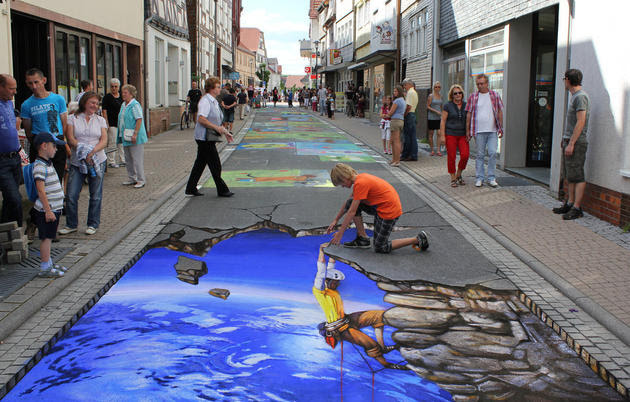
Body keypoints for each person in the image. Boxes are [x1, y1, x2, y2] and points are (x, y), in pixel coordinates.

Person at [313, 242, 407, 370]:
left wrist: (331, 250)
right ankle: (385, 363)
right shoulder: (320, 292)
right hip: (341, 329)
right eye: (336, 282)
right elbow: (321, 271)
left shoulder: (331, 289)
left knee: (378, 316)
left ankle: (383, 347)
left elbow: (330, 267)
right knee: (370, 344)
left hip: (348, 319)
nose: (338, 285)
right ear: (327, 282)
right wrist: (321, 250)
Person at [326, 163, 429, 253]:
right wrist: (336, 220)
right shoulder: (360, 178)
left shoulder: (360, 183)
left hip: (389, 212)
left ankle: (418, 239)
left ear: (344, 178)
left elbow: (351, 212)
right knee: (350, 202)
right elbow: (349, 202)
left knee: (381, 247)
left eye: (341, 184)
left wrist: (340, 233)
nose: (343, 187)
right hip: (380, 207)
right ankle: (362, 239)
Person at [58, 91, 108, 236]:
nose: (95, 106)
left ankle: (93, 224)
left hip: (97, 160)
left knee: (96, 194)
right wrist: (82, 150)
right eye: (92, 102)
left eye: (97, 103)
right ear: (84, 102)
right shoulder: (72, 118)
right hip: (77, 162)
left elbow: (104, 140)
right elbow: (70, 138)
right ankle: (71, 224)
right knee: (72, 194)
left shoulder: (100, 120)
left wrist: (92, 152)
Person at [185, 76, 234, 198]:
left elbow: (217, 121)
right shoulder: (206, 101)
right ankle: (222, 189)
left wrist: (225, 132)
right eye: (218, 87)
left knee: (200, 163)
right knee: (215, 164)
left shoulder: (213, 101)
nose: (219, 89)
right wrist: (217, 128)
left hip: (207, 137)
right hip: (204, 138)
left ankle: (191, 188)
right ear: (212, 89)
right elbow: (201, 119)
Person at [552, 68, 591, 220]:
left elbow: (581, 122)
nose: (564, 82)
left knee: (577, 175)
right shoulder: (575, 97)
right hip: (570, 140)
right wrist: (566, 139)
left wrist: (572, 143)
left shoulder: (580, 97)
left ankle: (577, 208)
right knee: (571, 175)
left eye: (564, 79)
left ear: (568, 80)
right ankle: (569, 203)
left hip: (577, 142)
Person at [21, 68, 68, 183]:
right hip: (39, 143)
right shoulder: (26, 105)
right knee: (40, 177)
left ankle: (57, 198)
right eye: (30, 83)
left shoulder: (58, 99)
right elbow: (28, 130)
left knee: (58, 175)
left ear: (44, 80)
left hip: (57, 141)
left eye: (36, 82)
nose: (34, 86)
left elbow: (64, 123)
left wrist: (62, 139)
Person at [32, 133, 68, 277]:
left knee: (50, 236)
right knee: (46, 238)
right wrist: (47, 210)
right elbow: (41, 190)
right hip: (47, 210)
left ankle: (49, 262)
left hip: (54, 209)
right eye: (54, 146)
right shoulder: (40, 167)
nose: (56, 149)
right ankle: (45, 266)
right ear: (44, 146)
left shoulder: (47, 164)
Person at [465, 73, 504, 188]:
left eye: (482, 83)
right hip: (479, 131)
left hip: (492, 130)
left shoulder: (495, 95)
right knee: (480, 155)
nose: (480, 86)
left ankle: (491, 177)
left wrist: (501, 127)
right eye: (478, 84)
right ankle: (480, 178)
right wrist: (467, 131)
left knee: (492, 153)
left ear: (487, 83)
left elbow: (500, 111)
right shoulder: (473, 96)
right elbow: (469, 113)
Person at [0, 74, 23, 226]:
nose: (14, 92)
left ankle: (7, 237)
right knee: (15, 199)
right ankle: (18, 232)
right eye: (11, 89)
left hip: (15, 157)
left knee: (10, 201)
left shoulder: (8, 103)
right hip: (2, 161)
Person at [117, 84, 148, 188]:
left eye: (125, 93)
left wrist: (135, 133)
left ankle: (141, 179)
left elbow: (139, 119)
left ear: (131, 94)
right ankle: (132, 178)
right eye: (123, 92)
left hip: (134, 136)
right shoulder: (123, 104)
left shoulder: (134, 105)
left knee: (136, 158)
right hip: (125, 136)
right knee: (128, 158)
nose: (123, 94)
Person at [441, 84, 469, 187]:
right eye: (455, 93)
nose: (458, 95)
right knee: (451, 156)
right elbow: (443, 121)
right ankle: (453, 177)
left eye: (459, 93)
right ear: (452, 95)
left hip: (462, 135)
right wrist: (442, 136)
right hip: (450, 134)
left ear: (462, 94)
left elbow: (468, 120)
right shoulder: (447, 106)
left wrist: (468, 132)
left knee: (465, 155)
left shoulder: (466, 105)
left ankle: (459, 174)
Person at [101, 78, 125, 168]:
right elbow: (104, 110)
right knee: (112, 142)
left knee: (121, 142)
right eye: (112, 87)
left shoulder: (121, 97)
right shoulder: (107, 97)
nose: (114, 88)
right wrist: (106, 122)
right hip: (112, 123)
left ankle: (123, 159)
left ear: (119, 87)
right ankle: (111, 161)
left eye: (116, 86)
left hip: (121, 124)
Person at [387, 85, 406, 167]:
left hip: (395, 120)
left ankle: (397, 161)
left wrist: (385, 115)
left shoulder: (397, 101)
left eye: (396, 91)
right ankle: (394, 160)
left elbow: (391, 112)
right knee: (395, 141)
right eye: (394, 91)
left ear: (399, 92)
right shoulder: (403, 100)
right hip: (401, 120)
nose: (394, 93)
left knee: (396, 141)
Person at [400, 78, 418, 162]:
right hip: (413, 114)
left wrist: (404, 115)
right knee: (412, 136)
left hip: (409, 115)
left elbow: (408, 106)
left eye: (405, 85)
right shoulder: (414, 92)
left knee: (408, 136)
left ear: (409, 84)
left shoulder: (410, 92)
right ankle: (413, 154)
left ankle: (407, 154)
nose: (404, 87)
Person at [427, 82, 444, 156]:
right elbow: (427, 106)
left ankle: (438, 150)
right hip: (431, 117)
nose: (437, 88)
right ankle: (432, 150)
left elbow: (441, 106)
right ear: (434, 88)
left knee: (439, 133)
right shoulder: (431, 96)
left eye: (439, 87)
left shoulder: (441, 96)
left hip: (439, 117)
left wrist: (442, 113)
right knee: (431, 133)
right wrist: (436, 111)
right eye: (436, 87)